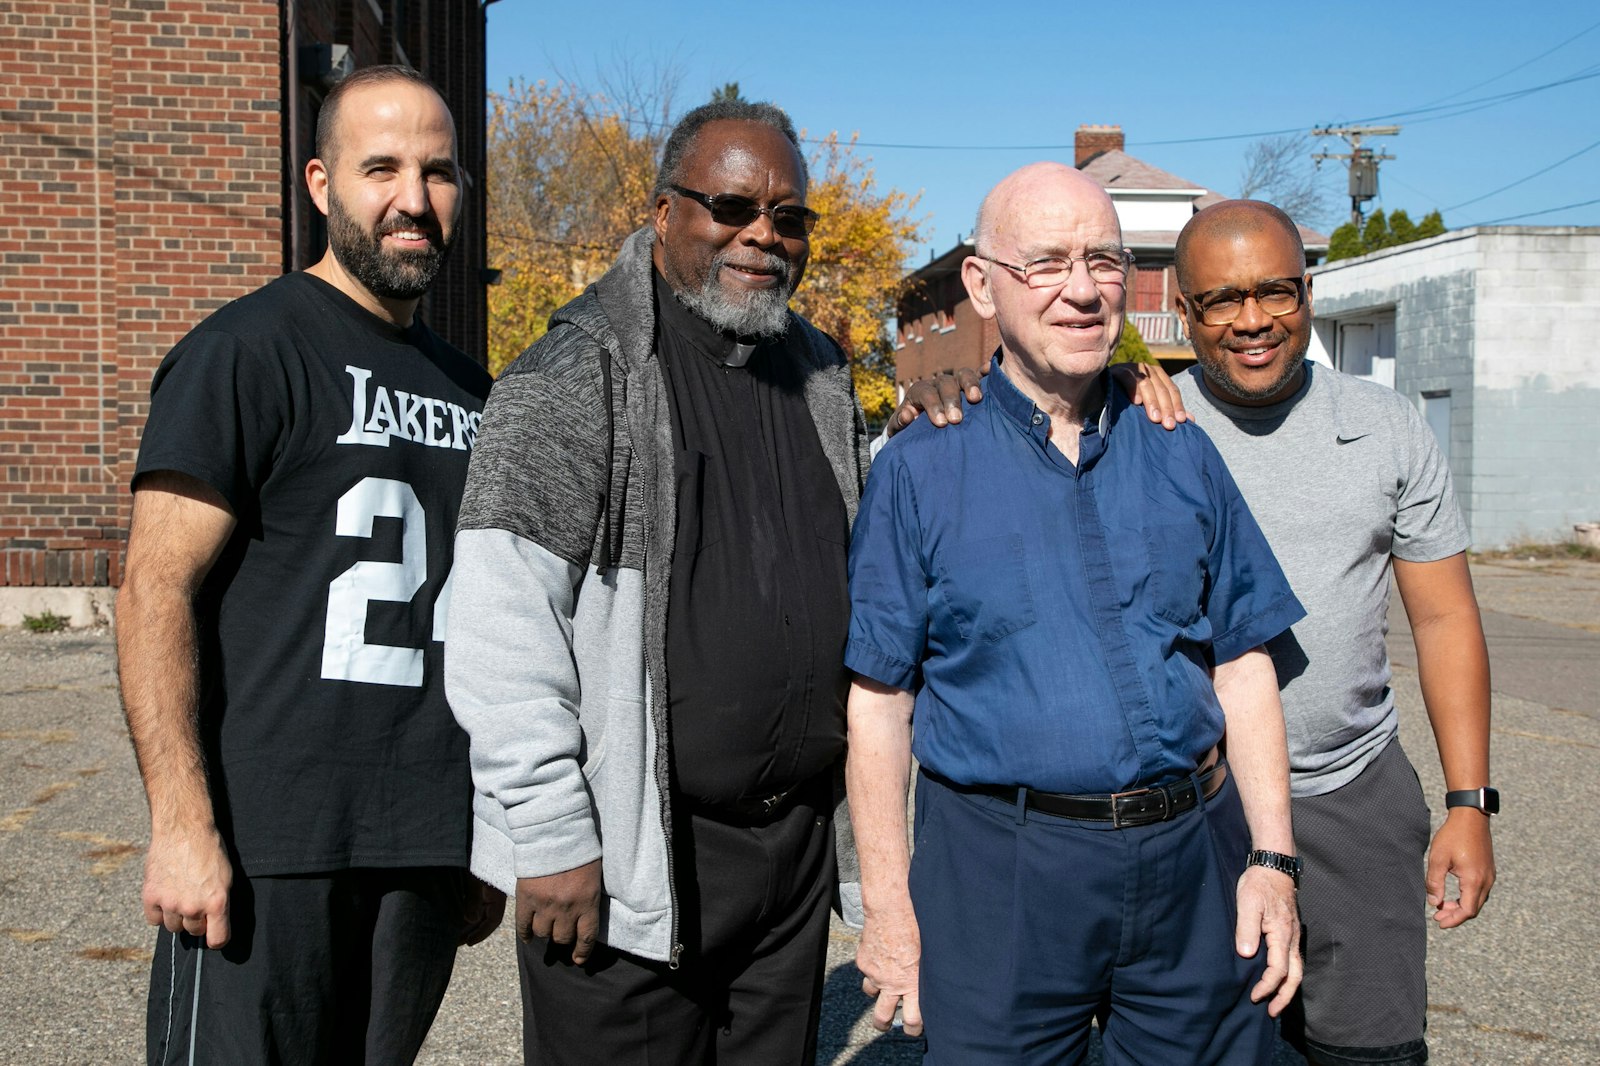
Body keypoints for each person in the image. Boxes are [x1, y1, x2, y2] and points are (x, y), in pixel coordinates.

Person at [844, 162, 1306, 1066]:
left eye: (1106, 261)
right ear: (981, 284)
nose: (1086, 291)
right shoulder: (918, 468)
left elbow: (1242, 663)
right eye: (1047, 264)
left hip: (1188, 863)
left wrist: (1273, 861)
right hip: (1000, 872)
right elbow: (879, 704)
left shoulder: (1178, 447)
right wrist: (890, 909)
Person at [444, 99, 869, 1066]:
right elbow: (499, 625)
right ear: (665, 209)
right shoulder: (575, 371)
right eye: (730, 205)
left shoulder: (822, 378)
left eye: (789, 216)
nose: (762, 235)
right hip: (635, 864)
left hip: (790, 861)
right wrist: (550, 835)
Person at [116, 65, 501, 1065]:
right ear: (322, 184)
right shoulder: (245, 350)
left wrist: (486, 836)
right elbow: (155, 589)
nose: (413, 199)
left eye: (437, 170)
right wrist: (180, 822)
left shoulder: (477, 392)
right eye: (382, 168)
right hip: (268, 848)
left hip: (423, 845)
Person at [1171, 199, 1495, 1066]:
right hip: (1199, 812)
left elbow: (1445, 616)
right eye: (1222, 300)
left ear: (1308, 291)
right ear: (1182, 305)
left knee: (1371, 1052)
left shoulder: (1387, 425)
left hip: (1354, 793)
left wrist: (1469, 805)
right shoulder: (1144, 424)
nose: (1253, 321)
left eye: (1276, 292)